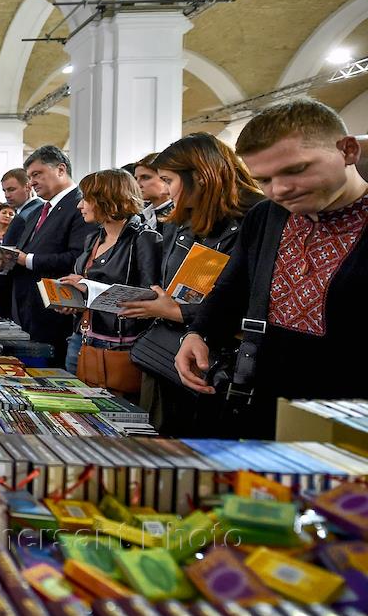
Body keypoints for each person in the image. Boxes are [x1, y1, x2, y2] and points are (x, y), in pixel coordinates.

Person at [174, 98, 366, 440]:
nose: (279, 190)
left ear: (348, 150)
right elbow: (232, 289)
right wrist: (198, 333)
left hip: (349, 415)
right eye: (264, 180)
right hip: (261, 402)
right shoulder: (266, 216)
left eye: (296, 170)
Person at [119, 133, 263, 436]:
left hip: (221, 362)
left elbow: (251, 300)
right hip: (167, 352)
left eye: (169, 180)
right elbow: (171, 283)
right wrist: (158, 300)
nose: (166, 190)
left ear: (200, 176)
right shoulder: (180, 221)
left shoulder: (256, 219)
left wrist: (178, 313)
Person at [0, 146, 92, 365]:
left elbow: (77, 258)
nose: (32, 182)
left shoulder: (78, 206)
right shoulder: (41, 210)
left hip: (55, 313)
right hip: (26, 310)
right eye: (30, 176)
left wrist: (27, 260)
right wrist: (1, 263)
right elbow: (22, 251)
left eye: (37, 174)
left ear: (60, 170)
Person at [58, 170, 162, 394]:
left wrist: (88, 287)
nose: (80, 205)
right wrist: (72, 300)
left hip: (120, 345)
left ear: (106, 199)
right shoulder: (94, 238)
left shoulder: (144, 238)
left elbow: (150, 298)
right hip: (82, 337)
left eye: (86, 199)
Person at [0, 168, 45, 316]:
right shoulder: (41, 210)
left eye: (11, 189)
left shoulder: (23, 218)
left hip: (21, 292)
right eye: (4, 190)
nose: (7, 195)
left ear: (28, 187)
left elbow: (6, 263)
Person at [133, 152, 174, 229]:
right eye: (135, 179)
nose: (137, 185)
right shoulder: (139, 217)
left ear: (166, 179)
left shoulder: (180, 218)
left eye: (145, 177)